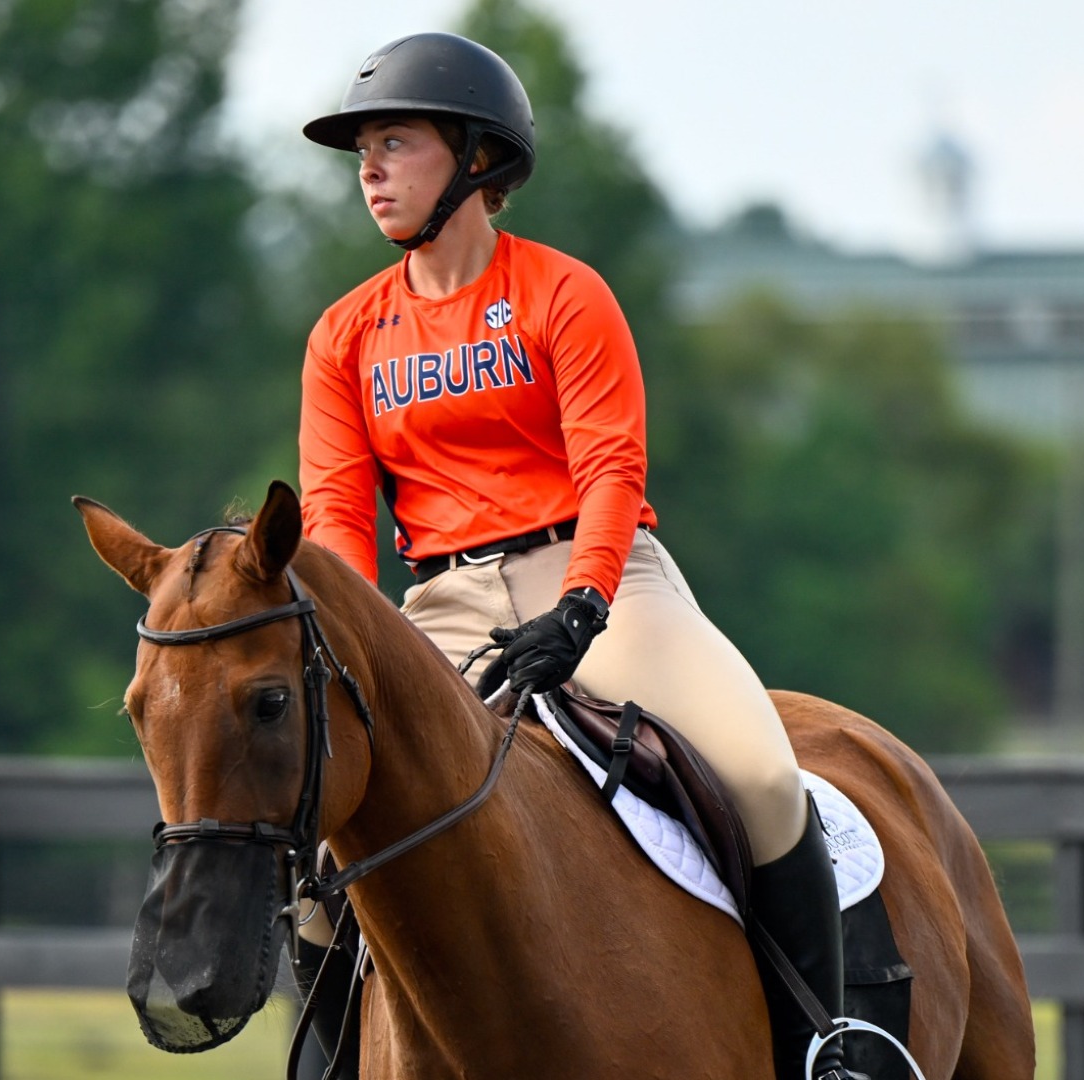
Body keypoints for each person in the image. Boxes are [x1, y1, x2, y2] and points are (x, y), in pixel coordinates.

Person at [291, 32, 862, 1080]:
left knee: (765, 779)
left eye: (394, 143)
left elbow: (611, 469)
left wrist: (585, 606)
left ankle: (821, 1048)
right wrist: (353, 653)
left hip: (599, 581)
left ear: (473, 157)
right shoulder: (343, 337)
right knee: (325, 869)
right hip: (443, 605)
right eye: (362, 149)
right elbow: (332, 523)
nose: (368, 169)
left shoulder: (564, 294)